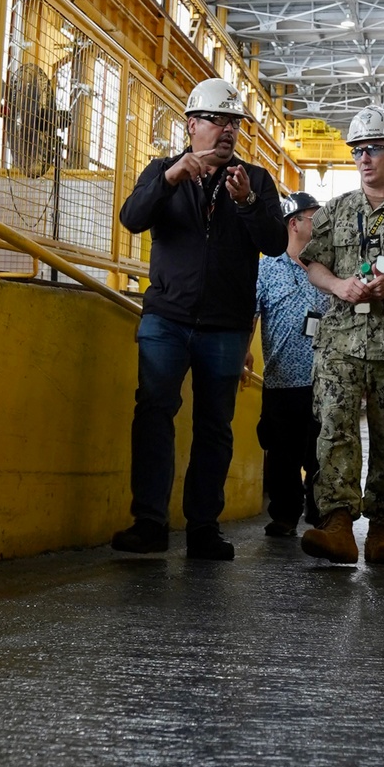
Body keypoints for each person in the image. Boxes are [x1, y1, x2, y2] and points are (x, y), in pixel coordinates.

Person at [112, 77, 287, 560]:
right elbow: (131, 218)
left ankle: (202, 529)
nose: (228, 130)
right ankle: (148, 522)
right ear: (192, 125)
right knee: (154, 413)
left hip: (225, 327)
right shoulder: (161, 170)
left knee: (215, 426)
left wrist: (248, 202)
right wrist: (171, 179)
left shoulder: (256, 180)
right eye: (218, 120)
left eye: (234, 123)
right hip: (167, 319)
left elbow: (275, 244)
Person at [300, 105, 384, 567]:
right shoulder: (335, 211)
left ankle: (380, 531)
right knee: (334, 429)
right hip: (341, 343)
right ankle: (337, 526)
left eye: (373, 149)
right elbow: (313, 262)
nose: (364, 158)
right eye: (357, 150)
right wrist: (339, 285)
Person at [253, 191, 329, 538]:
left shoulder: (327, 267)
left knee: (322, 450)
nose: (320, 222)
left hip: (325, 379)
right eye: (313, 216)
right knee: (282, 453)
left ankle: (320, 511)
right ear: (294, 222)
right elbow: (250, 314)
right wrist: (243, 352)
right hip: (282, 379)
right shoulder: (266, 267)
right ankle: (284, 514)